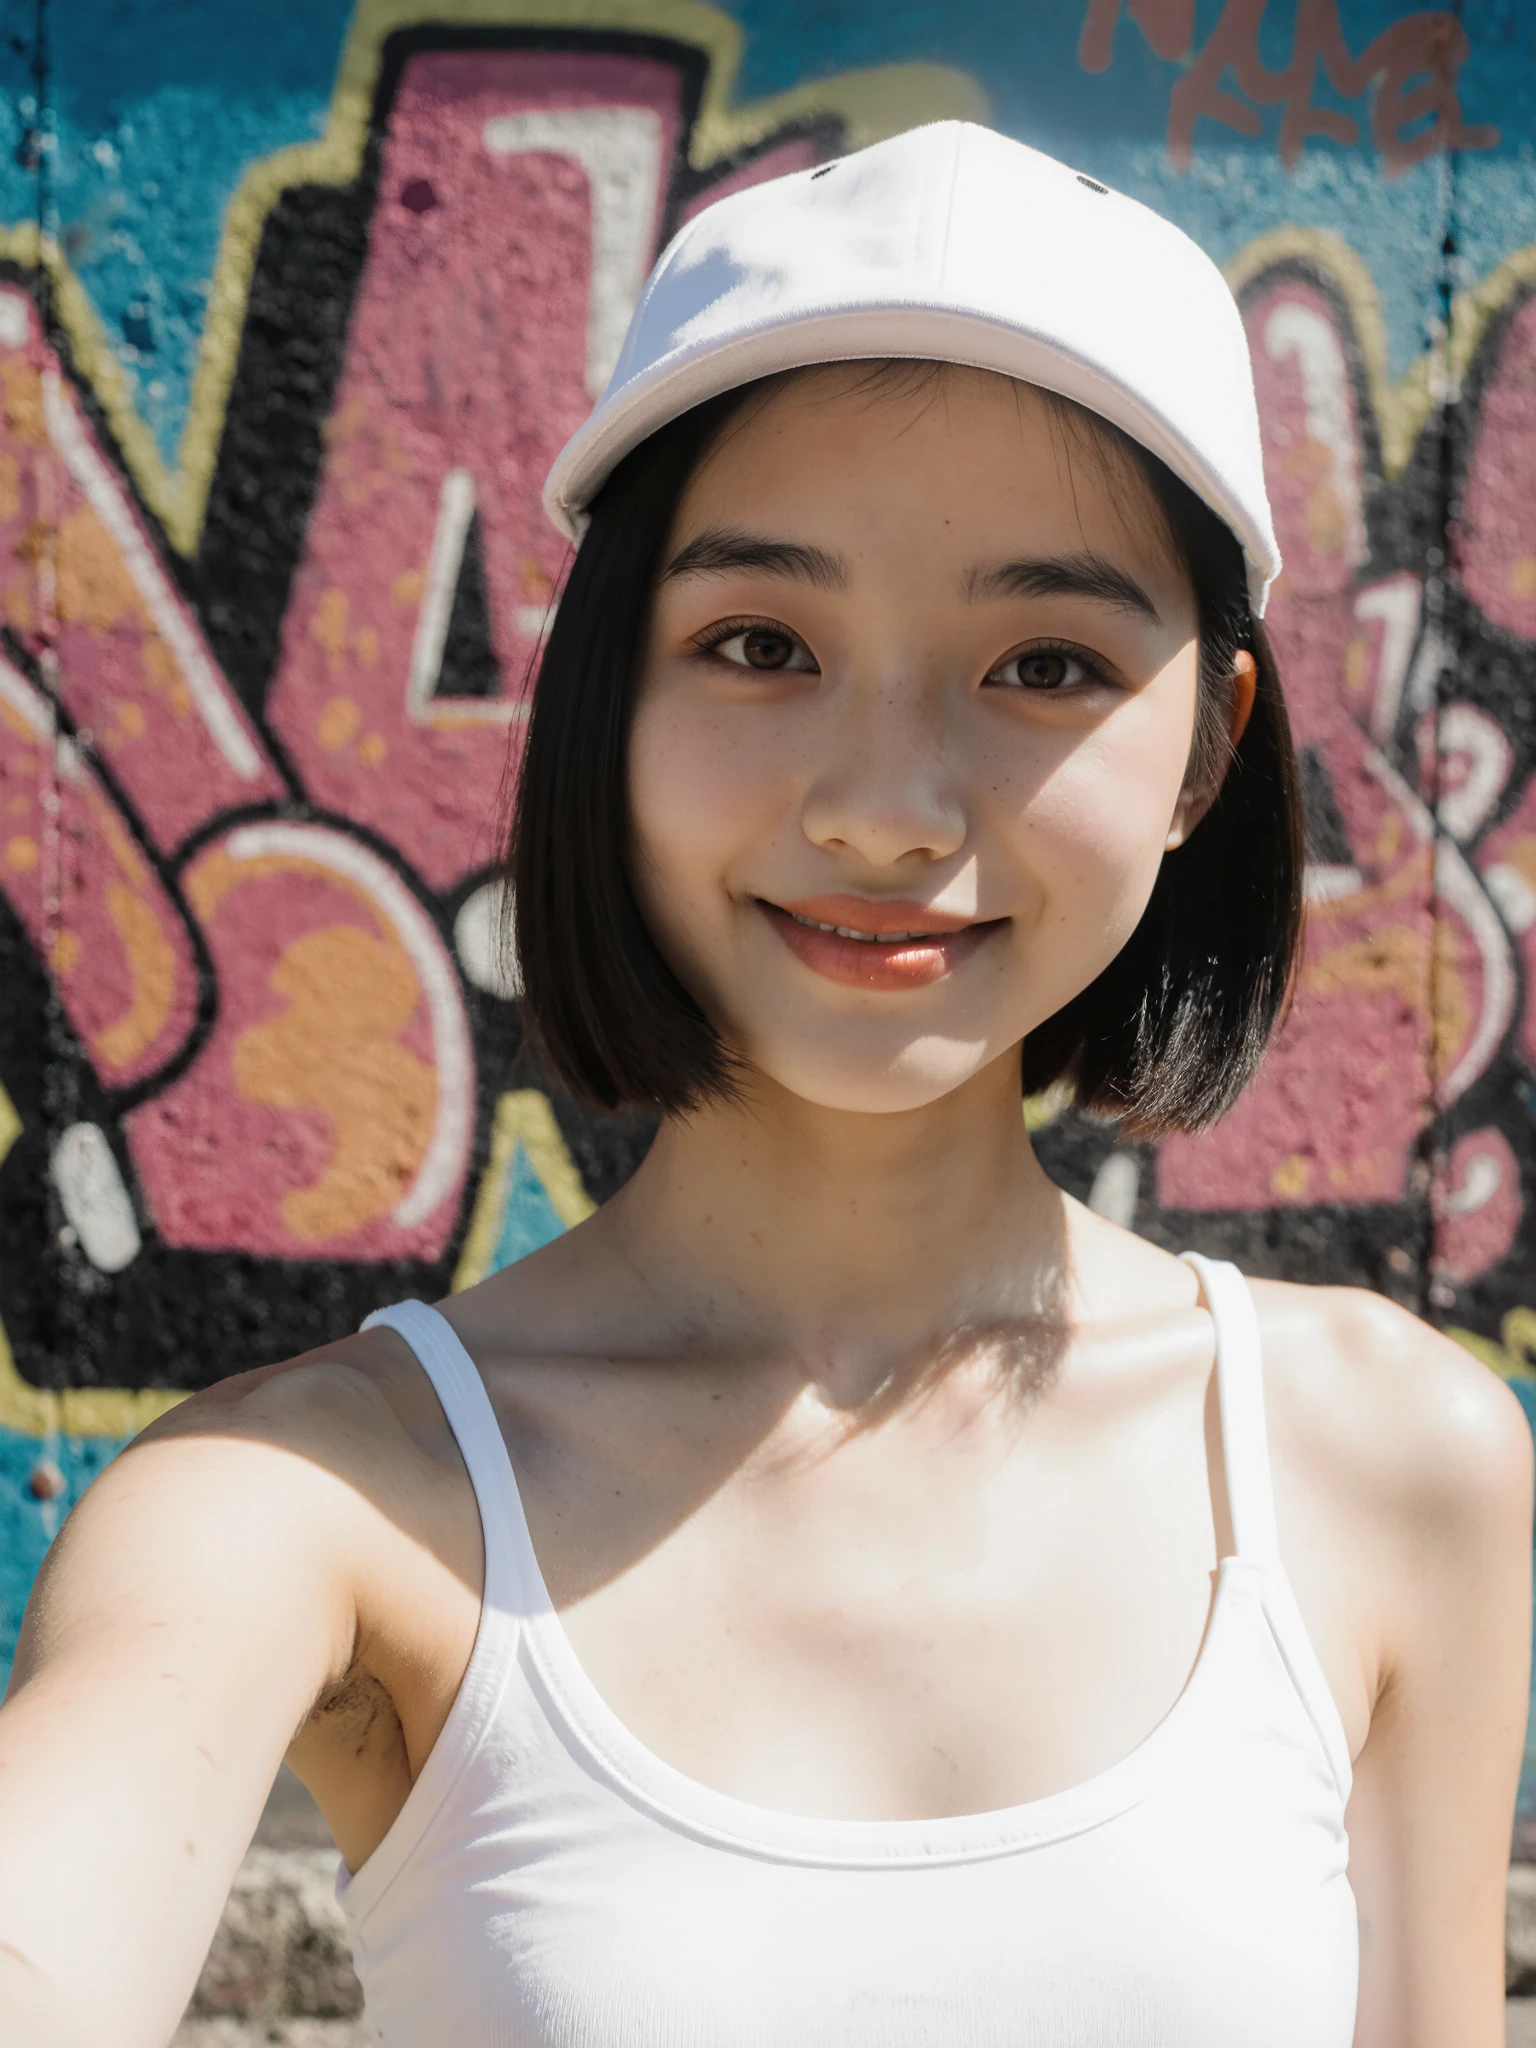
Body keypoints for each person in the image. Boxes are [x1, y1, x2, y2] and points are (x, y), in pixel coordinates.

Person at [0, 122, 1529, 2048]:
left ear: (1211, 745)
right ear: (604, 693)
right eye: (758, 644)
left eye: (1045, 663)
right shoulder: (307, 1506)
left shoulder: (1396, 1465)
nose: (886, 808)